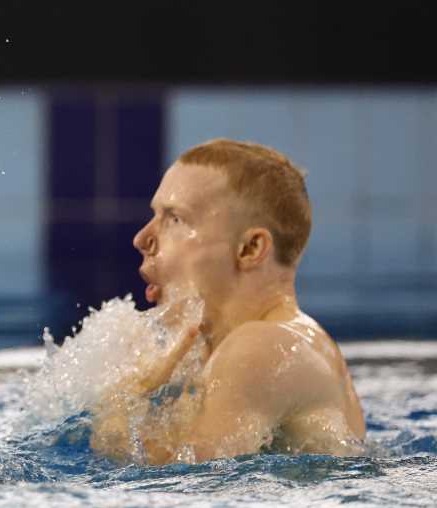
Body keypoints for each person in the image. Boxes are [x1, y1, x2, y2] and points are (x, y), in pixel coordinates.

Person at [90, 138, 366, 465]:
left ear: (249, 249)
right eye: (155, 216)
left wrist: (118, 405)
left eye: (175, 219)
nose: (142, 239)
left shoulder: (261, 346)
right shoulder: (281, 342)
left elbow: (180, 481)